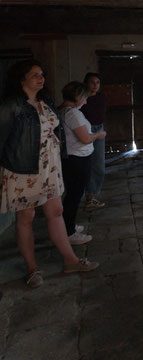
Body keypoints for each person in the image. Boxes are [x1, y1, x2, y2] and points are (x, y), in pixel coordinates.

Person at [0, 60, 99, 288]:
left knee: (56, 211)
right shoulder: (11, 106)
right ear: (21, 79)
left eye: (41, 74)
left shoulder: (46, 101)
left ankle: (70, 260)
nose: (40, 78)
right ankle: (32, 268)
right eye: (34, 74)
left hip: (49, 166)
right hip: (22, 168)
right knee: (27, 217)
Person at [59, 81, 106, 245]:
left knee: (73, 193)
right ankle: (69, 232)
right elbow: (85, 138)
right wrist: (97, 135)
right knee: (74, 194)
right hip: (76, 159)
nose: (86, 102)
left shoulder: (65, 111)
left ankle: (68, 225)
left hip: (75, 157)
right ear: (77, 97)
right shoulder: (72, 114)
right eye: (84, 98)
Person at [80, 72, 107, 210]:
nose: (95, 85)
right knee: (85, 165)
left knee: (98, 166)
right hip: (84, 130)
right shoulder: (81, 99)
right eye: (92, 82)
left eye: (97, 83)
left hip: (98, 130)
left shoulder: (101, 97)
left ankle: (91, 196)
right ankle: (87, 197)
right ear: (86, 83)